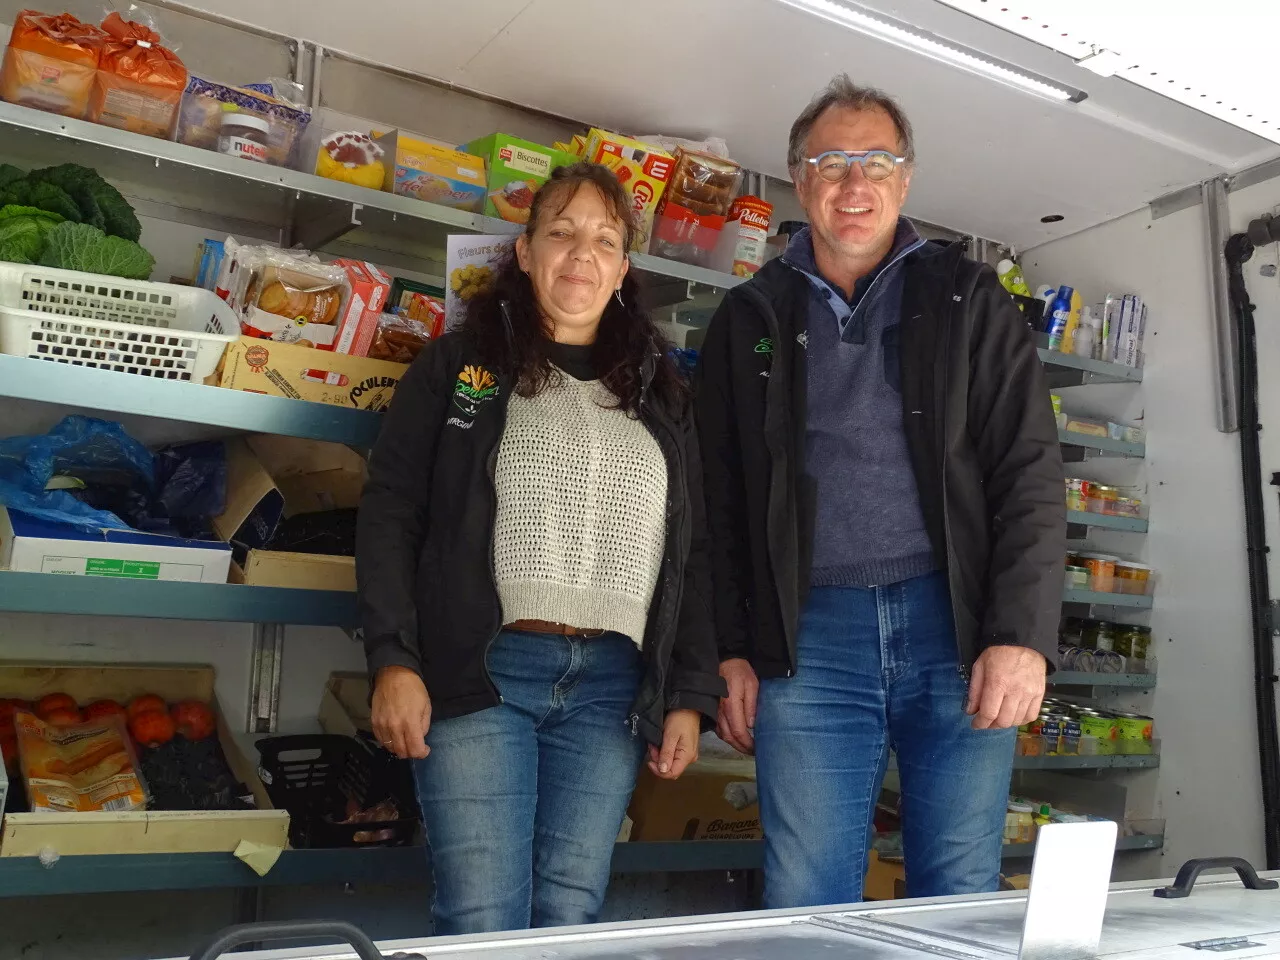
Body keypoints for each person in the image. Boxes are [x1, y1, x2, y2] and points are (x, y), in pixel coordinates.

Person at [695, 76, 1066, 908]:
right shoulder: (748, 317)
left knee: (960, 886)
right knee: (804, 890)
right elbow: (713, 499)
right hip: (809, 635)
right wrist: (728, 647)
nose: (853, 184)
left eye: (876, 161)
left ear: (907, 179)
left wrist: (1020, 635)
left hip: (956, 626)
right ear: (800, 179)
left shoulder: (971, 299)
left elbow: (1029, 473)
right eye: (830, 162)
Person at [357, 162, 725, 935]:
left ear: (624, 268)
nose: (579, 255)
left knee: (568, 916)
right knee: (482, 918)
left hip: (611, 691)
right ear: (524, 253)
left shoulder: (662, 393)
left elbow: (690, 553)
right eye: (560, 233)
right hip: (484, 674)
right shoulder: (458, 369)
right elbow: (391, 515)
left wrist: (687, 696)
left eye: (603, 240)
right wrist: (394, 659)